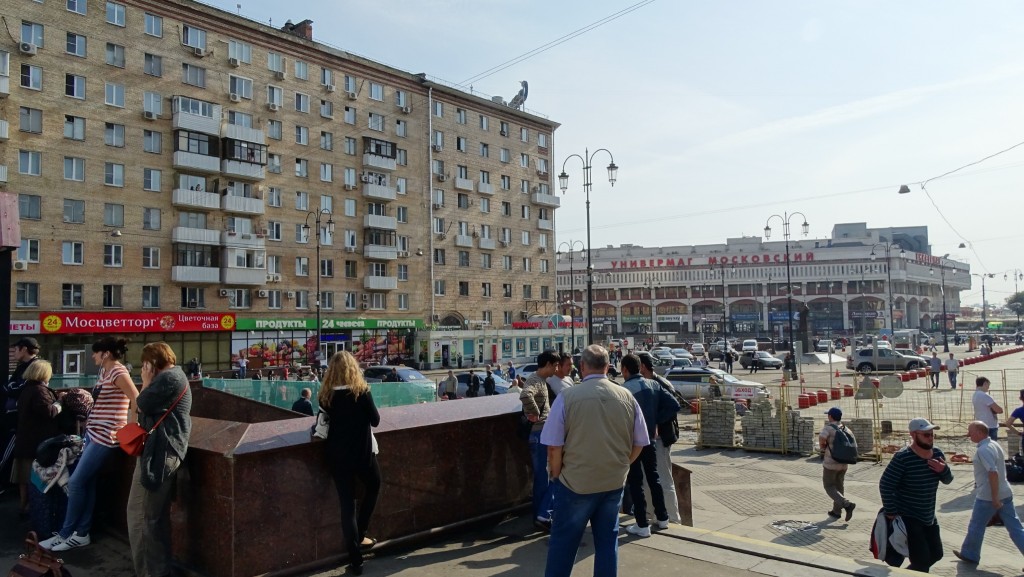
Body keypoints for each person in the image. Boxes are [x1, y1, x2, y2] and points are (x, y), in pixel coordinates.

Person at [541, 345, 648, 577]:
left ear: (582, 367)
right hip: (612, 482)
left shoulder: (567, 397)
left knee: (563, 544)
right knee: (608, 543)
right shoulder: (626, 396)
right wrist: (622, 465)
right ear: (608, 366)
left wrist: (557, 475)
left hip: (575, 483)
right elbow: (640, 441)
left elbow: (553, 445)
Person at [42, 337, 139, 552]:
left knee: (76, 483)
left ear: (105, 353)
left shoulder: (118, 372)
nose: (93, 356)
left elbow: (135, 397)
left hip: (106, 436)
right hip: (94, 433)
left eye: (96, 353)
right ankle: (81, 533)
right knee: (87, 483)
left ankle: (67, 533)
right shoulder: (105, 372)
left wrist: (130, 426)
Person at [128, 342, 192, 577]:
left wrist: (145, 382)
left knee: (146, 520)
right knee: (150, 518)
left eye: (145, 364)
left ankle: (152, 572)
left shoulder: (169, 379)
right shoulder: (175, 377)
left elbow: (141, 404)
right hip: (158, 453)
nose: (143, 368)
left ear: (152, 363)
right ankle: (156, 570)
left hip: (160, 455)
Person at [318, 351, 381, 576]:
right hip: (362, 455)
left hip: (337, 456)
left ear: (331, 372)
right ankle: (362, 531)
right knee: (374, 485)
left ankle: (356, 561)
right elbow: (376, 420)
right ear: (353, 369)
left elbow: (323, 421)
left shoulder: (325, 395)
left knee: (346, 506)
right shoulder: (361, 392)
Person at [878, 418, 953, 572]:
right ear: (913, 435)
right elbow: (885, 485)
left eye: (932, 434)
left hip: (928, 515)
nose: (930, 438)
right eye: (926, 435)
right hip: (909, 516)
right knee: (922, 560)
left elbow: (948, 480)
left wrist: (943, 470)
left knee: (937, 554)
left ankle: (906, 574)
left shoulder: (937, 454)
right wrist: (891, 512)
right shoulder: (903, 457)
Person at [953, 421, 1024, 567]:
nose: (968, 434)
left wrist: (994, 498)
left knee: (976, 525)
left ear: (979, 432)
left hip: (988, 495)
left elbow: (992, 473)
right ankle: (969, 553)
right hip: (1005, 491)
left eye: (970, 431)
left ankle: (970, 554)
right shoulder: (994, 444)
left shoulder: (983, 450)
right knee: (1015, 527)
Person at [619, 354, 670, 537]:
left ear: (625, 369)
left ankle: (642, 524)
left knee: (636, 482)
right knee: (654, 478)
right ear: (640, 367)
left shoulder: (624, 390)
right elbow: (673, 405)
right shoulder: (654, 384)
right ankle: (663, 518)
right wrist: (655, 420)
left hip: (633, 442)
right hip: (651, 439)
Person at [637, 353, 684, 525]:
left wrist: (655, 420)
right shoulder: (649, 383)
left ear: (642, 366)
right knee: (648, 478)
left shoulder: (660, 383)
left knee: (663, 478)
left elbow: (674, 406)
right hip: (650, 438)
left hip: (661, 438)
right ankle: (653, 513)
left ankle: (673, 517)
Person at [12, 360, 61, 514]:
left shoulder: (26, 389)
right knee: (34, 478)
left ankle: (23, 505)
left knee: (23, 478)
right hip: (36, 443)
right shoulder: (40, 391)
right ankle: (34, 509)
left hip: (24, 441)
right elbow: (49, 412)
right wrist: (60, 401)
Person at [520, 350, 558, 531]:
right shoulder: (535, 381)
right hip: (539, 435)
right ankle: (542, 517)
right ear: (549, 364)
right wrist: (534, 414)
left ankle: (540, 516)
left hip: (540, 435)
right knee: (545, 478)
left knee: (543, 478)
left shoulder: (541, 381)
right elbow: (525, 394)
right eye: (555, 365)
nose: (556, 369)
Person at [3, 337, 42, 484]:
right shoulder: (22, 366)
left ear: (24, 349)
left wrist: (10, 388)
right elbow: (9, 386)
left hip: (22, 419)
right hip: (15, 417)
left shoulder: (36, 366)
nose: (13, 352)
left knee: (8, 452)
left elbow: (14, 389)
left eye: (16, 348)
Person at [819, 407, 856, 520]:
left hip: (831, 464)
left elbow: (821, 437)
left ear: (830, 416)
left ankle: (847, 504)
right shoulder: (846, 429)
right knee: (839, 486)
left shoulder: (829, 428)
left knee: (829, 486)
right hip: (844, 464)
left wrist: (823, 446)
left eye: (828, 415)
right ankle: (836, 511)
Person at [972, 377, 1003, 442]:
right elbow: (999, 410)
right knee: (992, 446)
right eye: (988, 385)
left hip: (981, 424)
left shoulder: (975, 394)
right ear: (985, 384)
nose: (988, 387)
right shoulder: (984, 395)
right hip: (990, 426)